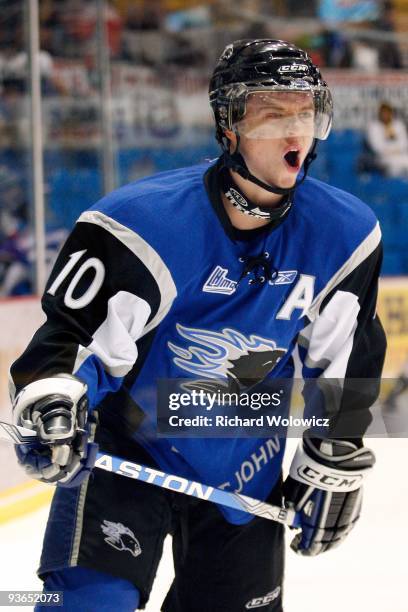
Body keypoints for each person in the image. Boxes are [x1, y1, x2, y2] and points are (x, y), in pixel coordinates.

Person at [10, 39, 386, 612]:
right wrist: (51, 402)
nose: (294, 134)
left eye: (305, 113)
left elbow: (344, 357)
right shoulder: (140, 227)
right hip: (128, 450)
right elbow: (66, 344)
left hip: (245, 464)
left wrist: (332, 457)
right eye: (271, 115)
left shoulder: (345, 236)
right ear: (229, 127)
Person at [366, 101, 408, 178]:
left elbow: (404, 143)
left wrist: (394, 150)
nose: (385, 115)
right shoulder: (374, 126)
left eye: (387, 113)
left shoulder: (398, 125)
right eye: (383, 113)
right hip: (382, 158)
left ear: (391, 113)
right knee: (394, 167)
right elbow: (377, 147)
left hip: (401, 155)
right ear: (380, 113)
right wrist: (393, 149)